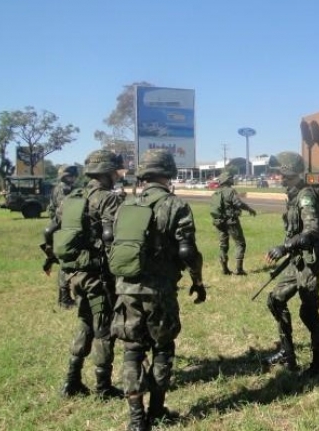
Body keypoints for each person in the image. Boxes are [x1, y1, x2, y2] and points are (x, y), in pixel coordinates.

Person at [110, 149, 206, 431]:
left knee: (132, 350)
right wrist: (197, 281)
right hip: (159, 291)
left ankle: (136, 419)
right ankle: (157, 409)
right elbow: (188, 251)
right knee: (163, 347)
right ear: (168, 171)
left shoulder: (126, 205)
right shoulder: (175, 205)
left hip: (126, 289)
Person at [56, 150, 124, 399]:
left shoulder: (72, 198)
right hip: (99, 275)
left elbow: (55, 230)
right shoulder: (107, 199)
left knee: (85, 321)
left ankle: (71, 381)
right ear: (106, 172)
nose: (117, 175)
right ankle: (103, 387)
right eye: (115, 171)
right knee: (104, 328)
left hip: (75, 274)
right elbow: (115, 238)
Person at [263, 151, 319, 377]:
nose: (279, 178)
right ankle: (287, 353)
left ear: (289, 172)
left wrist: (285, 247)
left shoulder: (305, 196)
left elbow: (312, 230)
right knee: (275, 300)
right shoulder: (292, 195)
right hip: (297, 259)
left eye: (281, 174)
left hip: (308, 260)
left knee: (308, 312)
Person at [209, 167, 257, 276]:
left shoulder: (216, 193)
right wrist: (249, 209)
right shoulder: (230, 191)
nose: (232, 180)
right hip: (231, 222)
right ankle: (239, 270)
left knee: (223, 245)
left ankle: (224, 269)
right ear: (227, 180)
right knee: (240, 244)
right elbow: (238, 204)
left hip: (219, 222)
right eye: (231, 178)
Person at [44, 164, 79, 309]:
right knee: (66, 264)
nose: (74, 178)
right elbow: (65, 210)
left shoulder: (58, 188)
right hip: (64, 230)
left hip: (60, 229)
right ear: (68, 176)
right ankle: (64, 299)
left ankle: (64, 298)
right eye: (73, 176)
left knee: (66, 263)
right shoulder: (64, 189)